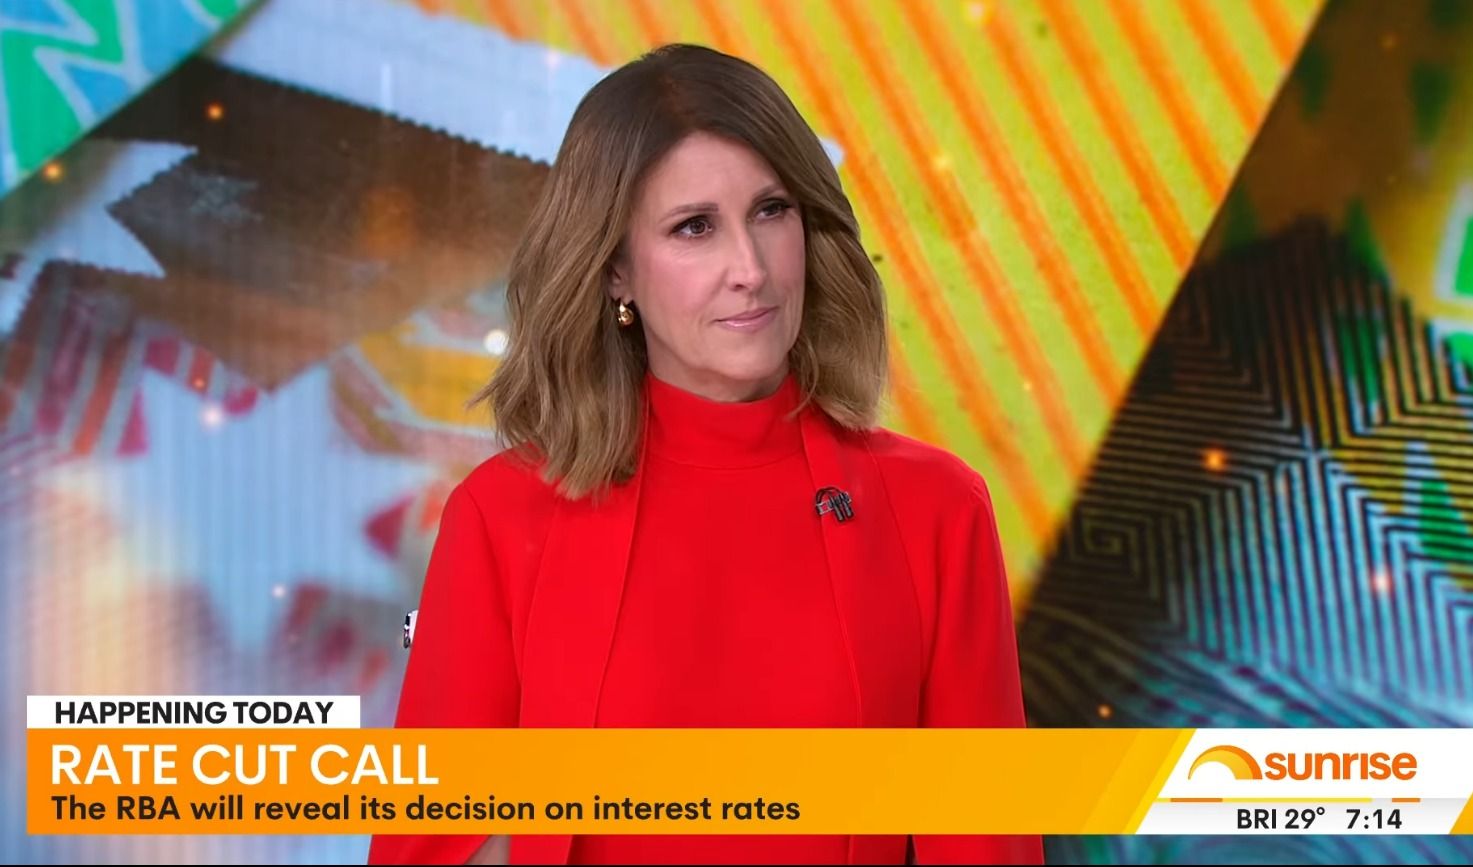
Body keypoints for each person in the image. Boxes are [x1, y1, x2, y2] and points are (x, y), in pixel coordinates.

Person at [367, 43, 1042, 866]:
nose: (749, 270)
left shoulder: (935, 508)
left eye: (771, 210)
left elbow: (985, 842)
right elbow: (428, 841)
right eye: (694, 227)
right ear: (614, 270)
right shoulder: (501, 516)